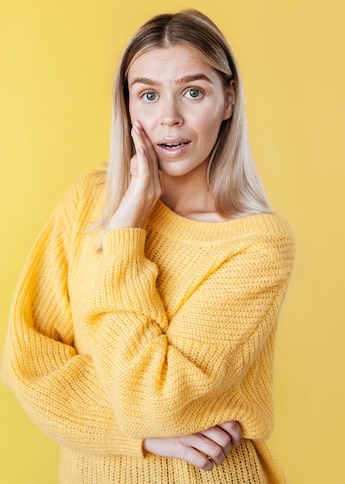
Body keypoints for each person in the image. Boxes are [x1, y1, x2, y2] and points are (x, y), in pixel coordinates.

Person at [1, 9, 294, 484]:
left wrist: (123, 238)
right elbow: (27, 361)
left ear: (228, 100)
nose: (169, 118)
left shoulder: (257, 244)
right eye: (149, 95)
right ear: (128, 105)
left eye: (193, 92)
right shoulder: (89, 202)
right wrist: (145, 438)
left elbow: (155, 399)